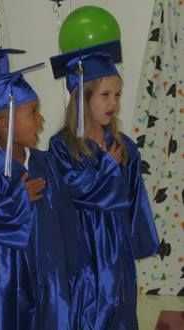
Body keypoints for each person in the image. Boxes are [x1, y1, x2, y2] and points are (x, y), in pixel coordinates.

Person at [0, 64, 93, 329]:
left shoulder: (43, 162)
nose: (41, 120)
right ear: (5, 124)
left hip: (50, 274)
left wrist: (73, 268)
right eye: (33, 113)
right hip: (7, 279)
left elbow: (65, 218)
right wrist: (15, 200)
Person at [48, 40, 159, 329]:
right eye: (105, 94)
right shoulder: (61, 147)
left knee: (119, 306)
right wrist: (108, 167)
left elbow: (135, 197)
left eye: (118, 94)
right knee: (87, 309)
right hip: (82, 245)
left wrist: (138, 241)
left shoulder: (125, 147)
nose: (114, 102)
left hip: (115, 245)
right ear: (82, 98)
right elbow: (76, 191)